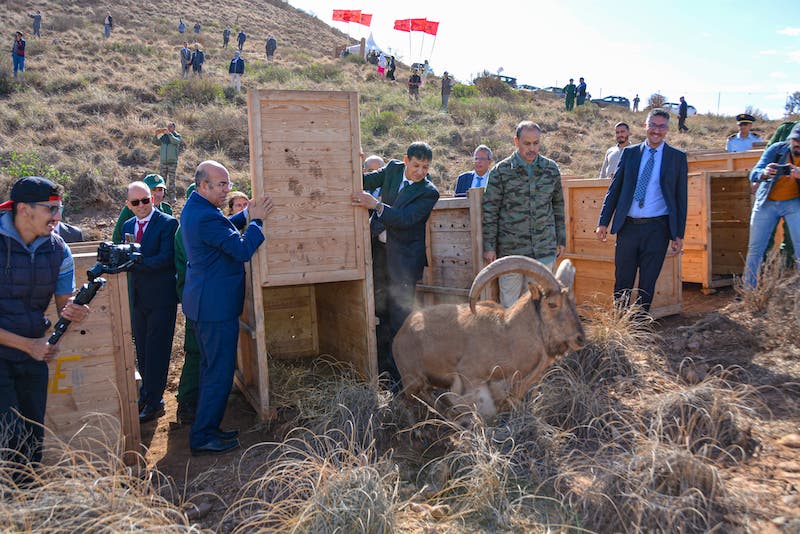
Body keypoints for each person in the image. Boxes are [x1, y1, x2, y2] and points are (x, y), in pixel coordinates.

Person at [181, 160, 273, 455]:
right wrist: (256, 221)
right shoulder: (207, 216)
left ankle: (207, 428)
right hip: (215, 308)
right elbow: (242, 249)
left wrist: (245, 214)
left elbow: (223, 230)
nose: (226, 190)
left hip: (205, 304)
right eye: (221, 184)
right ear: (203, 185)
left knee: (211, 370)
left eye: (227, 184)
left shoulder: (197, 208)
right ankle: (203, 436)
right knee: (219, 373)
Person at [0, 176, 90, 467]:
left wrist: (75, 309)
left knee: (32, 440)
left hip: (32, 356)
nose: (57, 217)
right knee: (8, 439)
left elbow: (64, 304)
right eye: (50, 209)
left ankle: (28, 495)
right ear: (23, 209)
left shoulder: (59, 250)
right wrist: (29, 345)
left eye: (59, 208)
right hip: (17, 350)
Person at [352, 142, 439, 388]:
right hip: (380, 257)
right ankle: (383, 373)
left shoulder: (429, 192)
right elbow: (363, 182)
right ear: (406, 160)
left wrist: (376, 205)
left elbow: (406, 219)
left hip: (404, 263)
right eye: (416, 165)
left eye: (425, 167)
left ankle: (403, 380)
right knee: (379, 314)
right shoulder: (391, 169)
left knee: (401, 320)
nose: (420, 172)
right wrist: (355, 163)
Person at [595, 108, 688, 313]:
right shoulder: (630, 154)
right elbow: (614, 189)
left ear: (667, 129)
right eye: (653, 125)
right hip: (628, 227)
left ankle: (639, 325)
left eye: (661, 126)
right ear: (645, 126)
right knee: (623, 280)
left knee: (647, 282)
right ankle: (620, 323)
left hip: (657, 229)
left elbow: (681, 200)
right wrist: (603, 221)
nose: (656, 130)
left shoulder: (677, 158)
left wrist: (678, 234)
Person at [482, 121, 566, 308]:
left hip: (543, 250)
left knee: (539, 307)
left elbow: (558, 205)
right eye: (527, 144)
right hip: (511, 252)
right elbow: (490, 211)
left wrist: (561, 239)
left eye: (536, 143)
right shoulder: (501, 172)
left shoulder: (550, 169)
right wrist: (489, 246)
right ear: (516, 141)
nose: (532, 148)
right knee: (510, 306)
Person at [121, 181, 178, 423]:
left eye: (145, 200)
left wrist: (134, 262)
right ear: (128, 205)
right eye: (136, 202)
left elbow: (166, 258)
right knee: (143, 350)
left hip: (161, 298)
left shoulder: (168, 223)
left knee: (158, 350)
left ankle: (155, 401)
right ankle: (147, 395)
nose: (142, 205)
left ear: (152, 199)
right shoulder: (128, 225)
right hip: (138, 299)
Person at [743, 123, 800, 288]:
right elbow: (754, 173)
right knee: (755, 248)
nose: (798, 145)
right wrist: (764, 173)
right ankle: (748, 290)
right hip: (766, 202)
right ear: (790, 139)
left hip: (794, 203)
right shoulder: (777, 149)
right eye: (796, 141)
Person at [112, 174, 173, 244]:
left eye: (160, 190)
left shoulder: (167, 210)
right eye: (153, 190)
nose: (157, 194)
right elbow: (116, 238)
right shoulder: (131, 209)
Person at [152, 123, 182, 202]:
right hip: (163, 162)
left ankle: (172, 197)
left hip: (172, 162)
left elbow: (176, 141)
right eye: (168, 126)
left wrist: (170, 134)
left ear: (174, 128)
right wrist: (155, 135)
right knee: (162, 180)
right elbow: (156, 142)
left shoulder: (176, 136)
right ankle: (162, 196)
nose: (168, 128)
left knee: (172, 180)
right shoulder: (164, 137)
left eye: (170, 126)